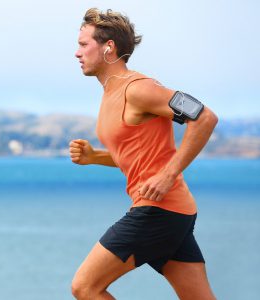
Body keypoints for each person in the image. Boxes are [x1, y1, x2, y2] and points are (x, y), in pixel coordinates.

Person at [69, 7, 218, 300]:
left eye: (83, 44)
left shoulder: (139, 89)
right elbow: (137, 155)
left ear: (108, 47)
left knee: (85, 287)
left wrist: (168, 174)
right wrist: (94, 157)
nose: (77, 53)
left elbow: (204, 117)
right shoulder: (111, 92)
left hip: (157, 210)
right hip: (175, 212)